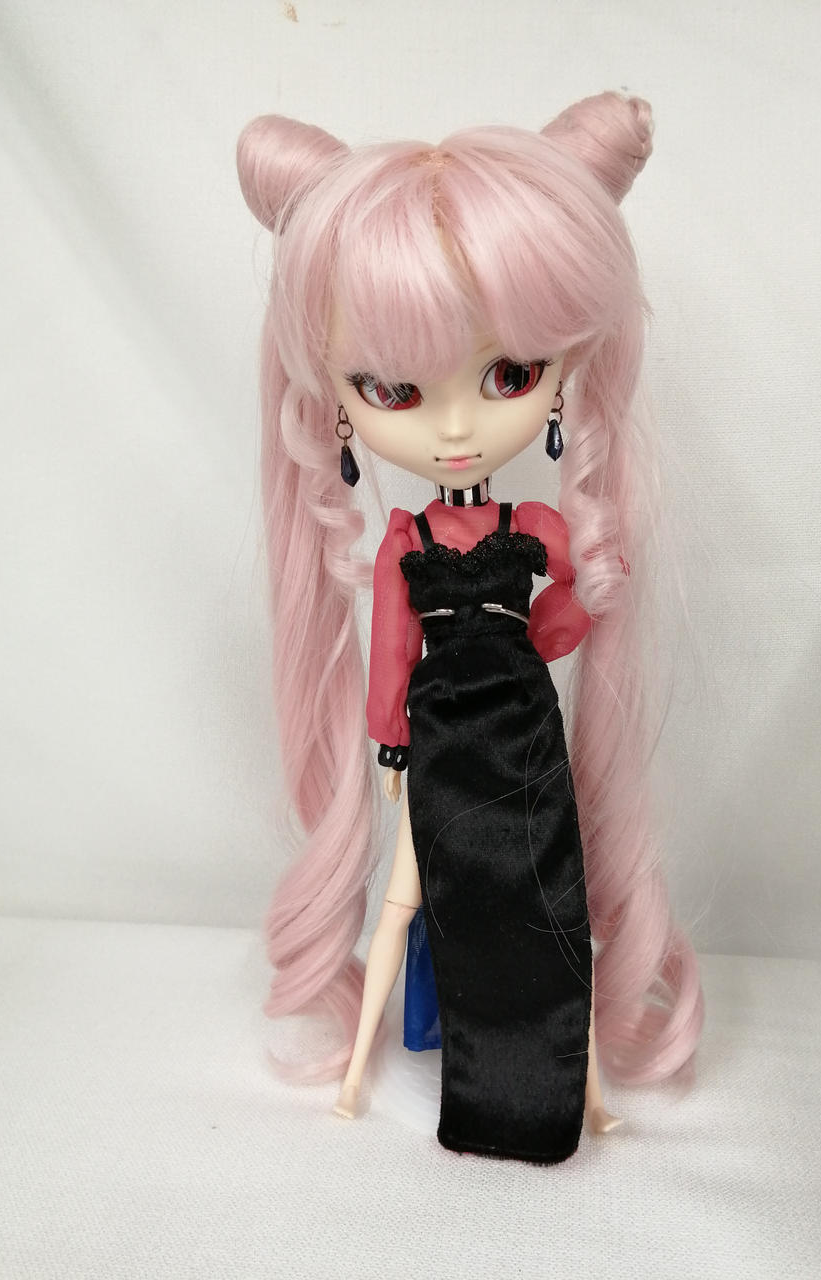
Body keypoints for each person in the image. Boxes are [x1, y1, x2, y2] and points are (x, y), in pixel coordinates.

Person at [237, 91, 704, 1164]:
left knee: (553, 904)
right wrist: (390, 748)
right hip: (438, 740)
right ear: (339, 402)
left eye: (508, 375)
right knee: (404, 901)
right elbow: (390, 654)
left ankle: (582, 1088)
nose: (455, 426)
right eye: (391, 388)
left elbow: (566, 612)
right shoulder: (404, 540)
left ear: (561, 375)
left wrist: (563, 620)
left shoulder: (535, 525)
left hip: (524, 734)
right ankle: (356, 1069)